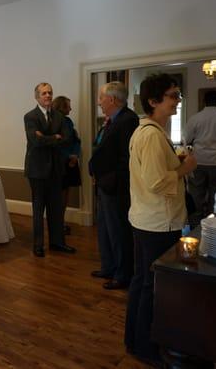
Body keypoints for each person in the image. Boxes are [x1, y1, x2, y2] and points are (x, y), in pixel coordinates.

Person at [125, 73, 197, 365]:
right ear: (153, 101)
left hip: (146, 219)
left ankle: (135, 340)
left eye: (177, 95)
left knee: (142, 281)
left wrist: (175, 163)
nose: (177, 101)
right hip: (158, 222)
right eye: (172, 95)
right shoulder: (152, 135)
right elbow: (156, 182)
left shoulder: (148, 131)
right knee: (152, 286)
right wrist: (186, 167)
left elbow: (151, 174)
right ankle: (145, 347)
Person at [88, 81, 139, 290]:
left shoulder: (127, 120)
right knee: (105, 229)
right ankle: (108, 267)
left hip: (116, 186)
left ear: (111, 99)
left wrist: (105, 173)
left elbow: (126, 157)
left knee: (118, 231)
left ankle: (122, 274)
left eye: (101, 98)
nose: (99, 102)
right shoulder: (111, 120)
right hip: (105, 184)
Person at [24, 82, 75, 257]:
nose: (48, 96)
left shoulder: (59, 117)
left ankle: (58, 243)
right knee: (39, 210)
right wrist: (55, 137)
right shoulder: (30, 117)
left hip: (56, 169)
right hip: (37, 171)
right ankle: (38, 245)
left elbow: (67, 139)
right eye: (44, 93)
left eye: (50, 93)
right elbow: (35, 141)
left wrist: (46, 137)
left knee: (56, 208)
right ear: (37, 97)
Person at [184, 90, 216, 227]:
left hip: (198, 161)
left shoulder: (195, 118)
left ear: (204, 102)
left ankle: (195, 227)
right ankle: (214, 226)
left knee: (196, 195)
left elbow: (187, 139)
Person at [51, 96, 82, 236]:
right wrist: (68, 156)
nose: (70, 108)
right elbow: (55, 145)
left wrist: (75, 155)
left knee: (66, 194)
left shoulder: (68, 121)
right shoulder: (52, 122)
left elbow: (75, 140)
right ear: (61, 107)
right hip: (59, 163)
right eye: (68, 106)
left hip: (71, 162)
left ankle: (61, 222)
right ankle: (57, 223)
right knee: (59, 196)